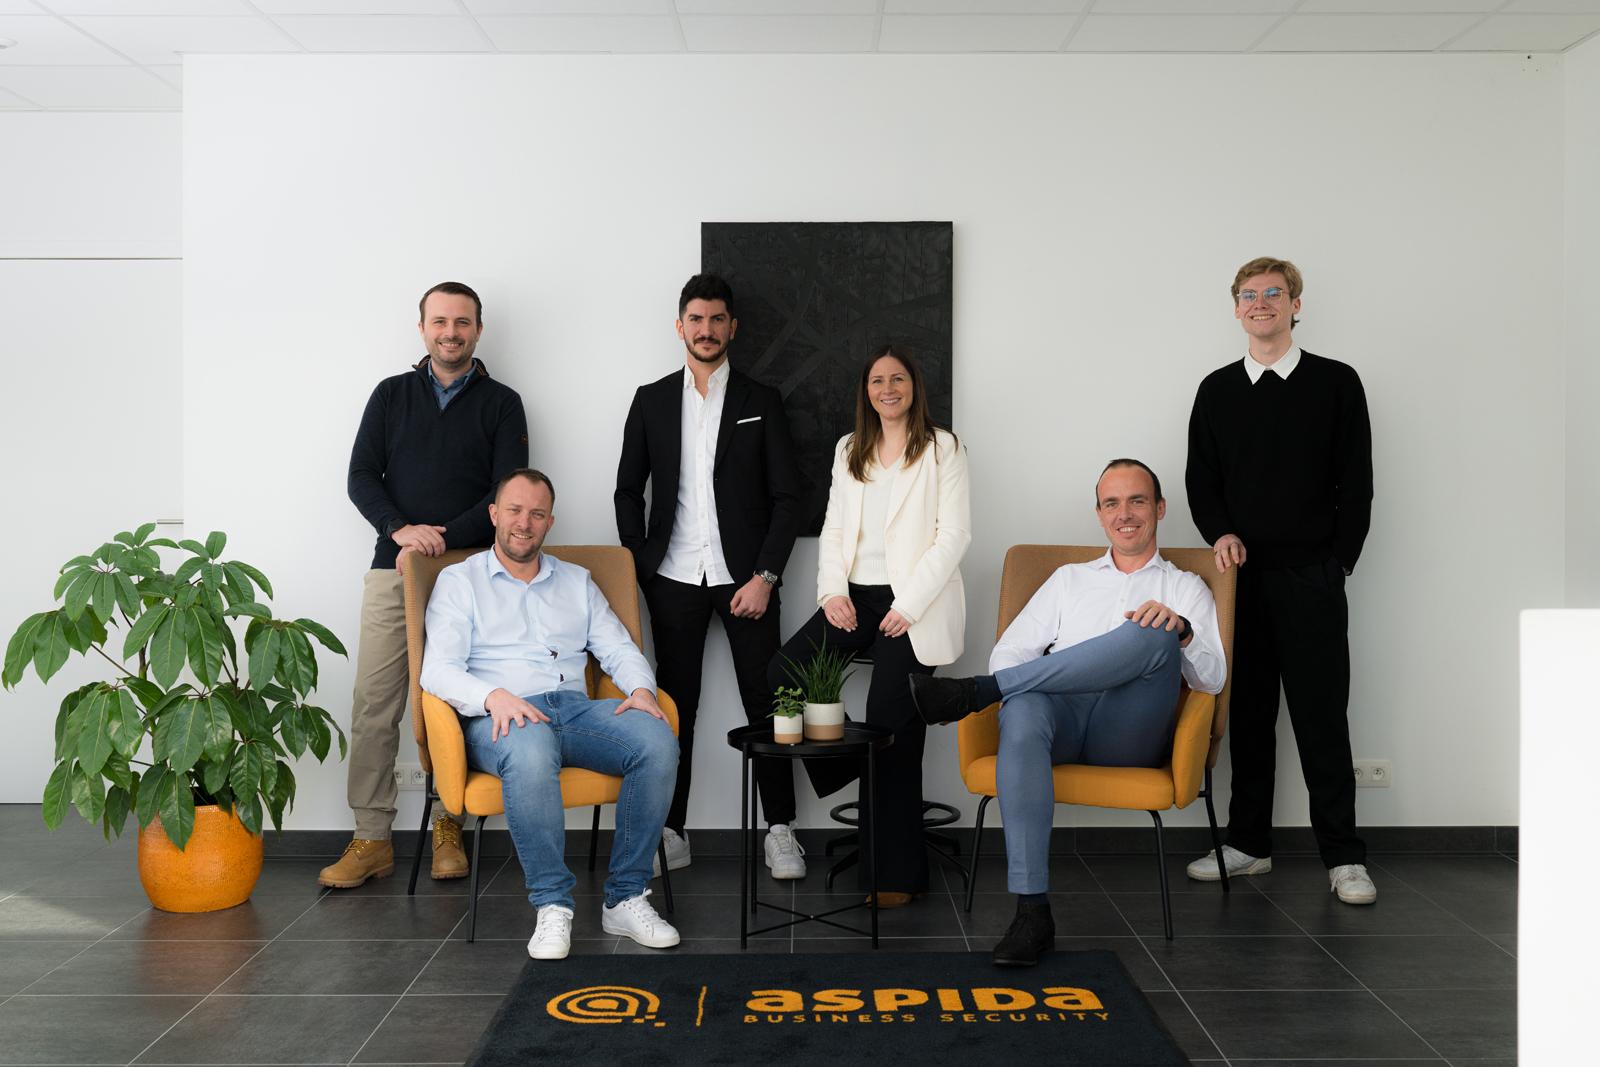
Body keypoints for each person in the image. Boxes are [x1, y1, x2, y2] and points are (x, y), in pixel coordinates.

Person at [910, 460, 1225, 966]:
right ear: (1099, 514)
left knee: (1155, 630)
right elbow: (1009, 653)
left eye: (1137, 501)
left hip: (1129, 730)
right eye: (1112, 503)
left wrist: (1183, 632)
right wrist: (1043, 682)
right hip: (1061, 721)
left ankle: (974, 694)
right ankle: (1031, 912)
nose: (1125, 514)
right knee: (1024, 708)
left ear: (1160, 508)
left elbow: (1212, 680)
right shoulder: (1068, 580)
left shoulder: (1184, 587)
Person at [421, 469, 680, 960]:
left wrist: (642, 690)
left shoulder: (576, 581)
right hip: (497, 720)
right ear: (494, 515)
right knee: (532, 748)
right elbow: (437, 671)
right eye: (515, 511)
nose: (524, 523)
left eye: (537, 514)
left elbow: (618, 648)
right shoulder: (460, 581)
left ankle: (625, 898)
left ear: (550, 522)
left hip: (574, 710)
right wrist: (493, 696)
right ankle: (552, 904)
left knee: (655, 739)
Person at [323, 281, 528, 889]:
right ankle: (371, 836)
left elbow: (507, 492)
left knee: (455, 698)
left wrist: (439, 539)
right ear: (422, 328)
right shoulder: (390, 395)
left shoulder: (503, 403)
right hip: (394, 567)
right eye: (440, 321)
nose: (451, 332)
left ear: (478, 330)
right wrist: (401, 530)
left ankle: (448, 826)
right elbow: (361, 476)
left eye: (462, 322)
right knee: (375, 703)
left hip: (471, 573)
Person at [1184, 256, 1376, 904]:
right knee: (1248, 716)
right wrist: (1220, 533)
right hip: (1240, 580)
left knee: (1323, 719)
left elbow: (1357, 482)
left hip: (1313, 578)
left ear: (1296, 304)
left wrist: (1338, 562)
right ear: (1236, 308)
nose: (1260, 302)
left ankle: (1344, 858)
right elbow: (1202, 480)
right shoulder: (1216, 391)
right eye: (1249, 294)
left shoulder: (1337, 383)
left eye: (1274, 292)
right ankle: (1249, 844)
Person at [614, 274, 807, 880]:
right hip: (672, 578)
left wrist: (766, 576)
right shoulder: (650, 400)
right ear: (680, 326)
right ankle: (671, 831)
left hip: (748, 579)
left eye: (717, 319)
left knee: (769, 702)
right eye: (696, 319)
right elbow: (627, 490)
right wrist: (643, 565)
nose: (706, 329)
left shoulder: (761, 400)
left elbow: (789, 498)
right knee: (676, 709)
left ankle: (781, 830)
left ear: (732, 327)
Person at [767, 344, 970, 906]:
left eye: (897, 378)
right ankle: (854, 762)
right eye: (877, 380)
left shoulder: (943, 448)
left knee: (889, 719)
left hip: (917, 601)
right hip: (855, 596)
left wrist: (910, 605)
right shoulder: (849, 448)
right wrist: (832, 592)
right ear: (866, 391)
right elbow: (834, 529)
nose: (888, 389)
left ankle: (895, 875)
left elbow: (954, 536)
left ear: (914, 386)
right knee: (783, 672)